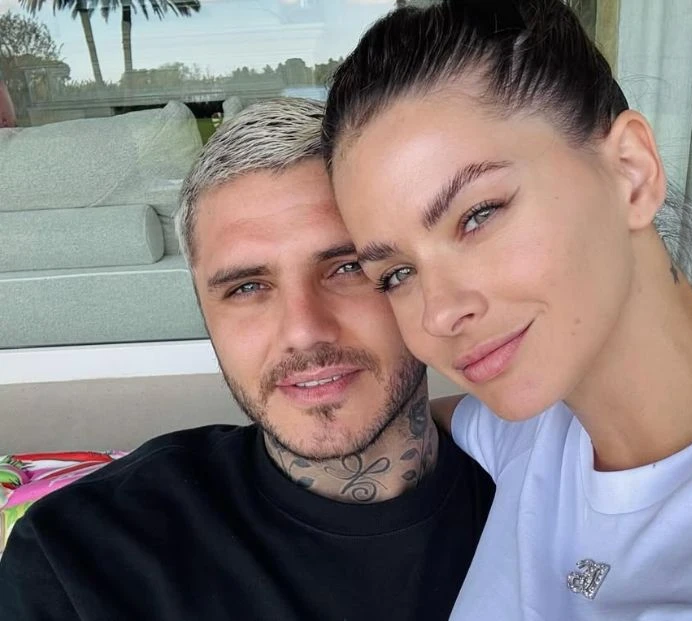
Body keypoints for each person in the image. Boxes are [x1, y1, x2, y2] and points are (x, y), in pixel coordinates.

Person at [320, 1, 692, 619]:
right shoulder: (529, 432)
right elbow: (419, 422)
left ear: (632, 172)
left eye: (478, 215)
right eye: (397, 274)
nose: (439, 314)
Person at [0, 98, 494, 620]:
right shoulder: (77, 558)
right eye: (247, 287)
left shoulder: (540, 484)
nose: (303, 331)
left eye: (347, 267)